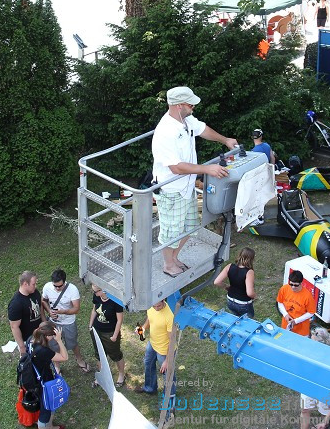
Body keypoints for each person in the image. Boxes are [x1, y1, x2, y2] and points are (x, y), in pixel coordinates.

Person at [151, 86, 238, 277]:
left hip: (187, 186)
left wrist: (225, 140)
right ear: (179, 105)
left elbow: (203, 129)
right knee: (171, 233)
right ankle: (168, 264)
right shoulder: (165, 132)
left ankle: (174, 258)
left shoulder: (186, 119)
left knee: (190, 227)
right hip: (171, 190)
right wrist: (207, 169)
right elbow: (176, 167)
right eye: (190, 103)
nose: (194, 106)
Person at [134, 299, 176, 427]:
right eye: (154, 306)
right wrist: (143, 328)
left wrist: (167, 361)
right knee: (147, 364)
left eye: (159, 306)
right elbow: (150, 319)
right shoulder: (151, 305)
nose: (156, 308)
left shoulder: (169, 316)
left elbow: (172, 340)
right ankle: (150, 388)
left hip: (164, 351)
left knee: (168, 377)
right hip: (152, 344)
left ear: (163, 301)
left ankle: (170, 409)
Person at [41, 269, 89, 372]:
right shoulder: (47, 287)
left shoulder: (72, 289)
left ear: (64, 281)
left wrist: (63, 311)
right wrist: (49, 311)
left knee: (72, 343)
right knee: (53, 345)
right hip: (53, 323)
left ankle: (79, 360)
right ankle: (57, 366)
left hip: (68, 322)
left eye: (60, 286)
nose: (57, 288)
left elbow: (76, 309)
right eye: (55, 286)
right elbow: (43, 301)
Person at [30, 321, 69, 429]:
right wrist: (59, 340)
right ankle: (44, 426)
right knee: (46, 409)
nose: (55, 336)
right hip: (44, 383)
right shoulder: (43, 351)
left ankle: (50, 426)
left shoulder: (31, 340)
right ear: (47, 336)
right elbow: (64, 357)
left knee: (47, 406)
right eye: (53, 334)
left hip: (35, 379)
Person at [89, 284, 126, 387]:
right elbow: (94, 310)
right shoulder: (96, 296)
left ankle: (122, 375)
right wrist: (90, 325)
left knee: (115, 355)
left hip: (110, 332)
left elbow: (119, 320)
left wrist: (114, 336)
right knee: (100, 354)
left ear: (104, 290)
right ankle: (101, 377)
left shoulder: (116, 301)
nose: (95, 294)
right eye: (94, 291)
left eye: (96, 291)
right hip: (97, 330)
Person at [9, 270, 46, 356]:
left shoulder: (35, 292)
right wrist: (22, 347)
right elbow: (14, 327)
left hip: (40, 335)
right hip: (28, 340)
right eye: (33, 284)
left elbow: (40, 309)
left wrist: (45, 325)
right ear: (25, 284)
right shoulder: (16, 304)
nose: (35, 286)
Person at [214, 247, 256, 318]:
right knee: (247, 324)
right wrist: (254, 296)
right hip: (243, 303)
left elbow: (216, 282)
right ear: (251, 259)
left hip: (230, 301)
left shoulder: (229, 266)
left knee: (235, 319)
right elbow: (249, 293)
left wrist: (227, 287)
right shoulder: (249, 272)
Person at [277, 270, 316, 336]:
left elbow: (311, 312)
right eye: (291, 284)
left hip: (301, 331)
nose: (293, 287)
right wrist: (285, 314)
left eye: (296, 285)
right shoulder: (284, 289)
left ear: (301, 283)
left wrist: (296, 321)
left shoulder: (307, 296)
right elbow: (280, 302)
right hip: (286, 325)